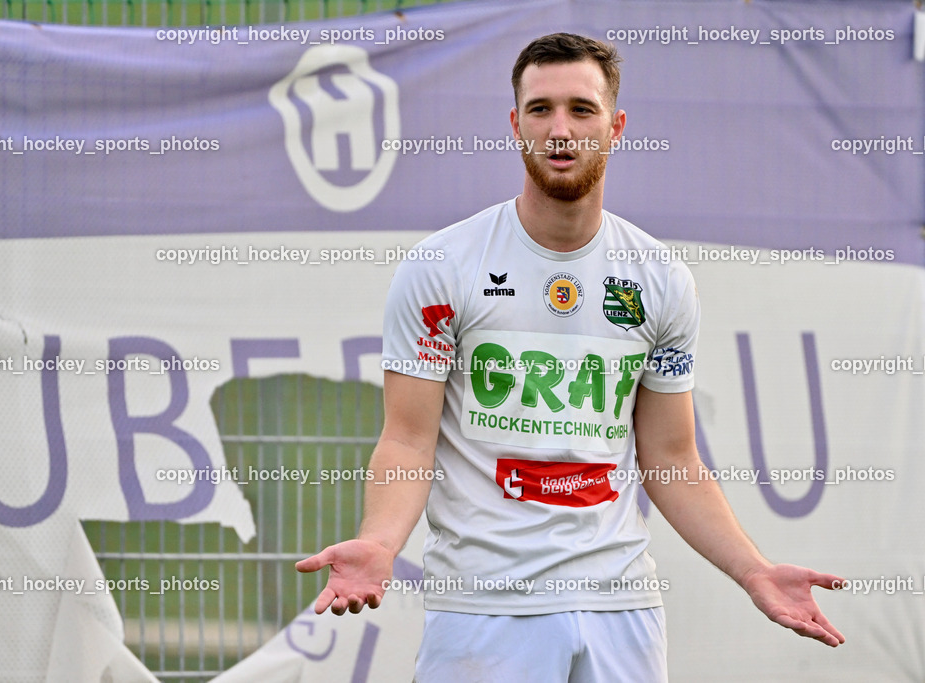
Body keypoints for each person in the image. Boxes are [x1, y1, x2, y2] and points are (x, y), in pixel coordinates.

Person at [297, 32, 844, 682]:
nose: (561, 130)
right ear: (515, 125)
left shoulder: (660, 279)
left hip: (621, 609)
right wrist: (381, 541)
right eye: (541, 109)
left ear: (615, 126)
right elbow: (409, 439)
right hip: (485, 609)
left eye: (581, 110)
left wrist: (753, 569)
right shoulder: (442, 267)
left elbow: (670, 457)